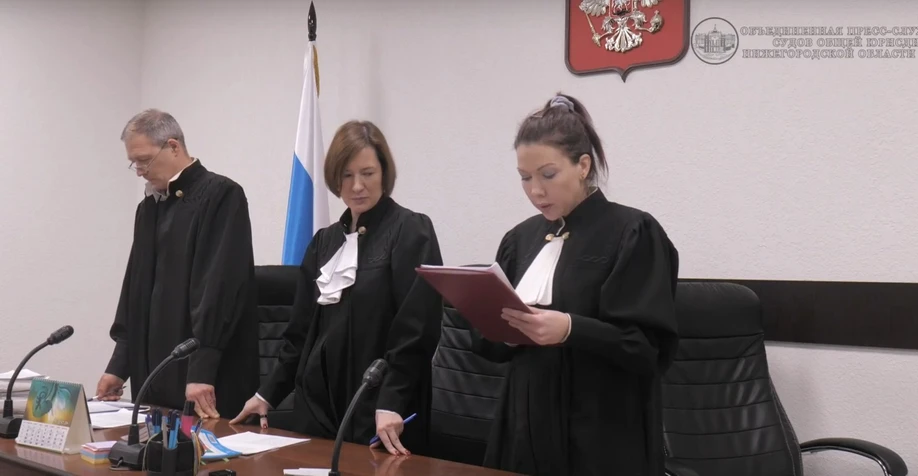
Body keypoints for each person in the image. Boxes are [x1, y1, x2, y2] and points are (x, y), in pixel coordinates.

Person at [472, 93, 680, 476]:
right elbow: (489, 346)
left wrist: (569, 329)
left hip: (602, 435)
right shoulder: (519, 239)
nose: (535, 191)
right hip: (523, 427)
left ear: (583, 165)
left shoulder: (633, 232)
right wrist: (506, 332)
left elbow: (646, 350)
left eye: (548, 175)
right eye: (525, 178)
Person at [230, 120, 444, 457]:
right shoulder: (324, 242)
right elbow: (300, 333)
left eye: (368, 173)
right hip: (318, 408)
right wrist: (267, 394)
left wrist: (392, 400)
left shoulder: (411, 230)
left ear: (384, 173)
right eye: (346, 175)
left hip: (381, 410)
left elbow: (416, 331)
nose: (357, 186)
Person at [97, 109, 260, 420]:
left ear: (173, 146)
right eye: (134, 163)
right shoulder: (149, 208)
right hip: (154, 375)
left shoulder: (221, 195)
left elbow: (219, 289)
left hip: (205, 380)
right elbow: (135, 292)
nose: (139, 171)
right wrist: (119, 366)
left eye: (144, 160)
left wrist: (201, 369)